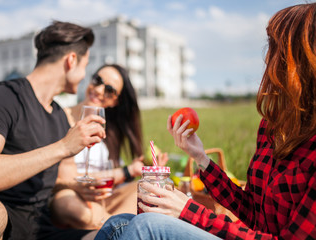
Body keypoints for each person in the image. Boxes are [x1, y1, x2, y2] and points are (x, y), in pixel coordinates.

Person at [95, 2, 316, 239]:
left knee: (145, 225)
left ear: (300, 63)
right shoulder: (273, 127)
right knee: (116, 225)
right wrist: (200, 157)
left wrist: (188, 211)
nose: (267, 61)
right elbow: (251, 212)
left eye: (276, 49)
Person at [0, 20, 105, 240]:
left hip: (41, 230)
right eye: (85, 66)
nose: (84, 76)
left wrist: (86, 187)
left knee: (115, 234)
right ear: (71, 61)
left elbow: (65, 178)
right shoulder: (2, 96)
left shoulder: (60, 118)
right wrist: (62, 147)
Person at [50, 64, 168, 229]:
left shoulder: (110, 130)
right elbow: (70, 178)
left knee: (154, 188)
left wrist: (143, 171)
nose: (98, 90)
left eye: (109, 90)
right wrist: (127, 171)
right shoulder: (61, 118)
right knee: (68, 205)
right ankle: (118, 228)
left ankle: (111, 225)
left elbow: (114, 183)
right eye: (97, 80)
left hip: (105, 201)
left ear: (115, 101)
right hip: (74, 196)